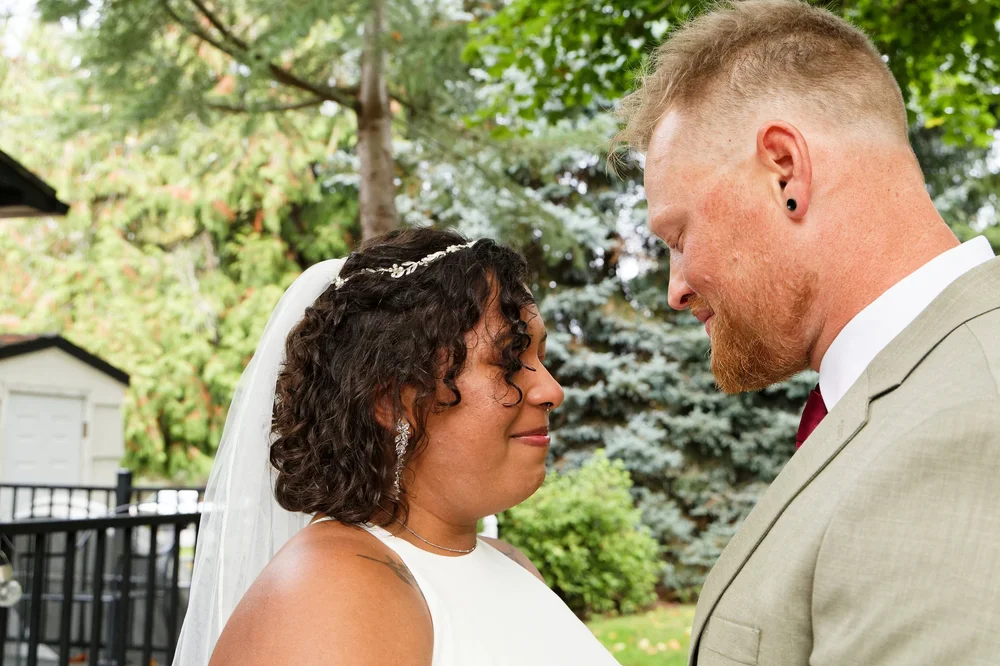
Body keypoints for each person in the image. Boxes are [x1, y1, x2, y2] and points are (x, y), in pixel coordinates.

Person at [615, 1, 1000, 664]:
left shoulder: (968, 423)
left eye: (679, 235)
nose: (675, 288)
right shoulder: (911, 391)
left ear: (785, 170)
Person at [173, 229, 619, 666]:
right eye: (508, 360)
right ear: (392, 400)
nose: (551, 390)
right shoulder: (332, 592)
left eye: (540, 357)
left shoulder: (511, 563)